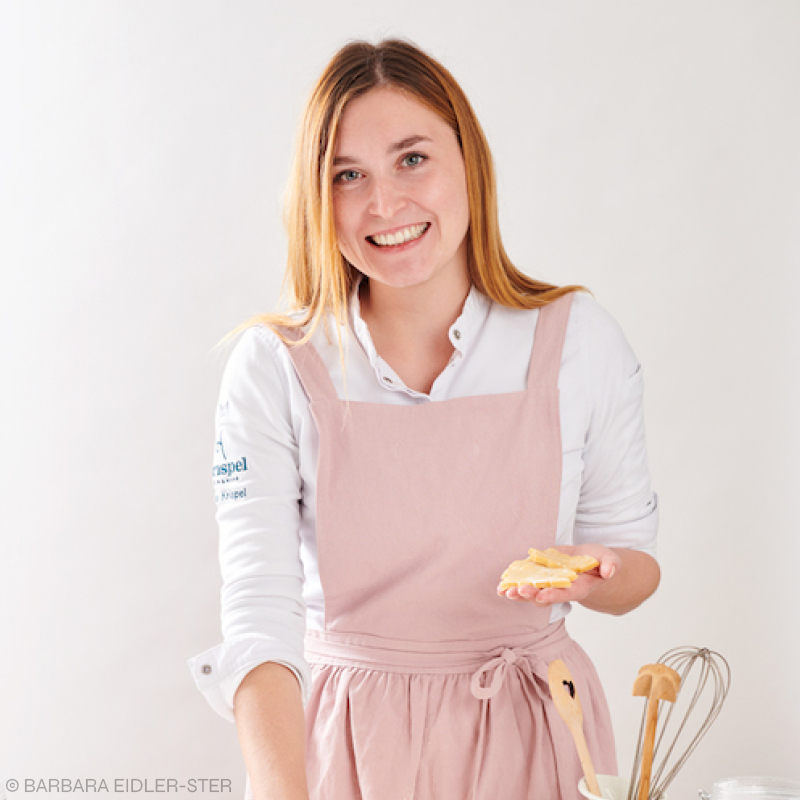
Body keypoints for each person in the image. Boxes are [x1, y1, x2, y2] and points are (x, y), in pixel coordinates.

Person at [189, 38, 660, 800]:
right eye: (348, 175)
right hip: (346, 751)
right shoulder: (276, 365)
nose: (384, 204)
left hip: (539, 734)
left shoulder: (577, 340)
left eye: (413, 159)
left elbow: (634, 565)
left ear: (468, 161)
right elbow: (259, 623)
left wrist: (593, 575)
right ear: (318, 197)